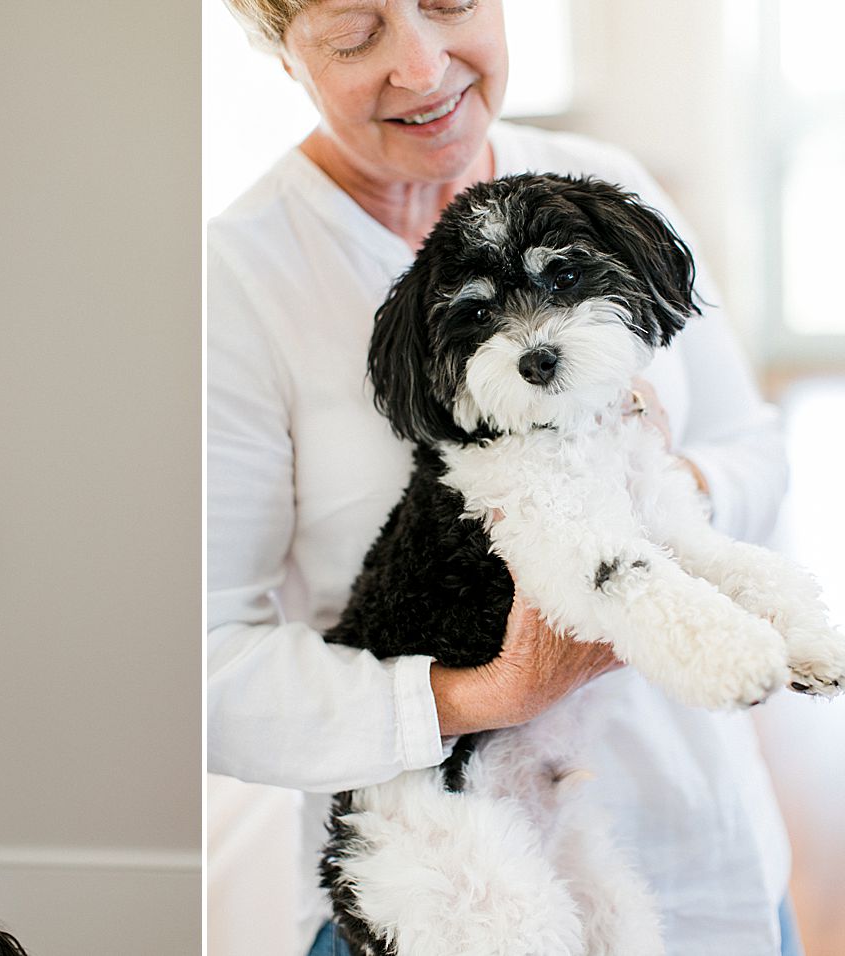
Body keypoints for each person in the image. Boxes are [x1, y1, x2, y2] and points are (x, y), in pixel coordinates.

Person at [206, 1, 803, 954]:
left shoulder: (606, 190)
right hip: (446, 881)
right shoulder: (237, 283)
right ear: (281, 54)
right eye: (357, 34)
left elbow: (755, 452)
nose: (424, 65)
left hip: (705, 867)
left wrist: (642, 488)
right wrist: (490, 693)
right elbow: (208, 673)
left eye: (450, 2)